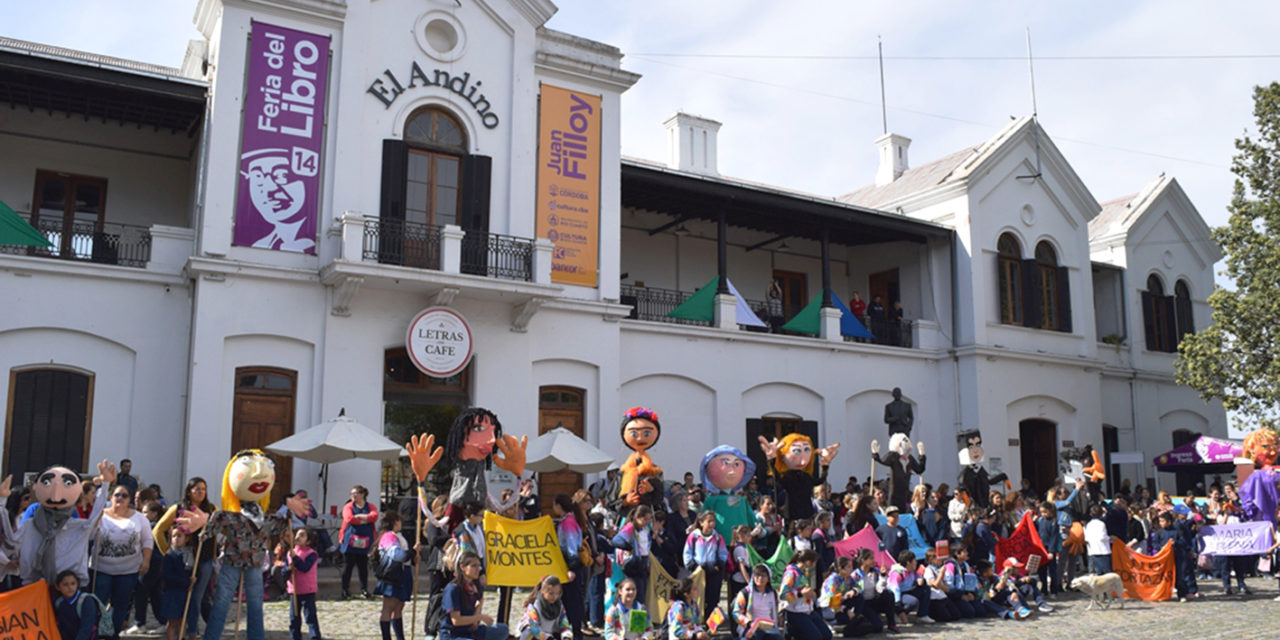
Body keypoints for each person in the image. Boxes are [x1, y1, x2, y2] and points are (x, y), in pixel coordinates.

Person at [151, 477, 218, 640]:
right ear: (189, 491)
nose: (201, 492)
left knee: (198, 597)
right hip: (182, 562)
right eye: (197, 489)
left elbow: (221, 529)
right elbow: (158, 530)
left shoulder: (212, 509)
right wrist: (168, 552)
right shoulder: (177, 508)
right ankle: (181, 628)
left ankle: (192, 631)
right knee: (185, 595)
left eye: (203, 489)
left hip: (204, 558)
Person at [92, 482, 154, 638]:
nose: (120, 498)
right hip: (101, 569)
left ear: (130, 499)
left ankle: (113, 634)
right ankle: (97, 633)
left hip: (128, 571)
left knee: (120, 606)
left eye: (124, 495)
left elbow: (147, 541)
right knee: (98, 604)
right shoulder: (101, 515)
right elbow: (89, 534)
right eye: (117, 495)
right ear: (111, 497)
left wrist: (146, 561)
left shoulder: (140, 519)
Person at [439, 552, 508, 640]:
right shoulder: (453, 589)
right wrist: (479, 617)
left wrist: (477, 611)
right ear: (462, 567)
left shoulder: (474, 585)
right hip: (453, 633)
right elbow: (456, 620)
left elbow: (480, 598)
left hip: (469, 629)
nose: (478, 569)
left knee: (502, 629)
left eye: (478, 566)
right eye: (473, 566)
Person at [553, 494, 590, 640]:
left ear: (559, 506)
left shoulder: (568, 523)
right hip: (570, 566)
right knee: (570, 602)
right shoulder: (568, 520)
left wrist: (570, 568)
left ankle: (576, 633)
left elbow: (571, 548)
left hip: (571, 567)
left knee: (572, 603)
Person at [374, 512, 415, 640]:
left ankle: (400, 637)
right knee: (388, 607)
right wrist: (412, 551)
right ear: (395, 522)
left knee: (398, 607)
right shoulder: (388, 537)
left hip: (403, 574)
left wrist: (413, 557)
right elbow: (398, 555)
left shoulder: (398, 536)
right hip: (393, 575)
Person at [129, 500, 167, 634]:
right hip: (157, 563)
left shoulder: (152, 527)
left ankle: (140, 623)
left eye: (146, 512)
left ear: (154, 514)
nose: (143, 515)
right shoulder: (158, 526)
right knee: (155, 593)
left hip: (151, 562)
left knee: (142, 591)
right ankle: (163, 621)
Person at [683, 510, 729, 617]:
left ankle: (710, 624)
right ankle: (697, 621)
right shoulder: (694, 536)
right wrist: (693, 566)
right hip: (698, 572)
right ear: (701, 522)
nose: (711, 524)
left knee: (712, 599)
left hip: (713, 572)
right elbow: (687, 553)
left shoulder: (717, 537)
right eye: (709, 521)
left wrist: (718, 565)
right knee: (697, 597)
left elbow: (723, 553)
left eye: (713, 521)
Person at [778, 550, 831, 640]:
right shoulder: (791, 573)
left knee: (827, 635)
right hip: (796, 612)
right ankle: (792, 631)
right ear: (808, 562)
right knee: (816, 637)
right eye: (814, 562)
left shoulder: (803, 573)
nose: (814, 565)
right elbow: (783, 594)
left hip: (808, 610)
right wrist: (799, 594)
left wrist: (812, 594)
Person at [340, 484, 378, 600]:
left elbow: (374, 516)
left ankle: (364, 589)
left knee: (363, 566)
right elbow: (349, 518)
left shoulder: (370, 506)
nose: (353, 496)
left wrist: (361, 516)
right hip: (350, 539)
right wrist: (364, 520)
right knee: (348, 566)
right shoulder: (348, 506)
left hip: (365, 540)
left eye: (355, 493)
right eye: (351, 494)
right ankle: (345, 590)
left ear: (362, 494)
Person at [285, 528, 322, 640]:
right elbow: (284, 572)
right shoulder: (290, 553)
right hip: (294, 590)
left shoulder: (311, 554)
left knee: (310, 617)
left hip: (307, 590)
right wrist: (288, 569)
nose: (297, 537)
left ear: (308, 541)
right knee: (294, 618)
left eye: (302, 535)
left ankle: (315, 637)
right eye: (297, 535)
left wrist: (295, 558)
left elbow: (304, 568)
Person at [850, 549, 896, 633]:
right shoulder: (856, 575)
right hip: (863, 604)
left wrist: (882, 576)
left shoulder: (875, 572)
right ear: (863, 560)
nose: (873, 561)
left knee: (889, 594)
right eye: (871, 559)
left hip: (874, 600)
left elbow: (880, 588)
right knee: (878, 627)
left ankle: (891, 623)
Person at [612, 506, 654, 598]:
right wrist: (629, 548)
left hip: (643, 561)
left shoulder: (645, 529)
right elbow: (616, 540)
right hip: (633, 563)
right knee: (636, 593)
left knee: (642, 593)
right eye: (644, 519)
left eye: (648, 520)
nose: (646, 522)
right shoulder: (631, 527)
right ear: (637, 517)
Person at [731, 564, 781, 640]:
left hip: (768, 626)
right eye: (757, 575)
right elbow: (736, 613)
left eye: (763, 576)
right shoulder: (745, 593)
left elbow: (776, 610)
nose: (760, 578)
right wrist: (749, 623)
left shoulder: (773, 593)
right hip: (750, 627)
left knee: (777, 637)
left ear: (768, 578)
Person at [885, 550, 934, 625]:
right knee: (912, 601)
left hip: (908, 591)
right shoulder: (897, 573)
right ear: (908, 562)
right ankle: (897, 614)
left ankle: (922, 615)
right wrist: (898, 608)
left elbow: (918, 577)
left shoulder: (912, 571)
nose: (916, 562)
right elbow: (895, 590)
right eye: (914, 560)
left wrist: (921, 580)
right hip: (897, 595)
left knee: (925, 589)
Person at [161, 528, 193, 640]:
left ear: (187, 538)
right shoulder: (169, 556)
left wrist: (193, 579)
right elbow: (168, 576)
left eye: (179, 536)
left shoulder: (190, 555)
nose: (176, 539)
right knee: (172, 621)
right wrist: (186, 581)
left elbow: (193, 571)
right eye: (174, 536)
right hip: (173, 593)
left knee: (182, 620)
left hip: (184, 593)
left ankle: (182, 637)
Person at [518, 575, 573, 640]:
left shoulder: (560, 607)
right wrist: (548, 638)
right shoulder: (534, 606)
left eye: (557, 593)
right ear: (542, 591)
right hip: (533, 636)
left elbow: (565, 625)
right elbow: (534, 628)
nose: (555, 597)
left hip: (550, 634)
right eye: (551, 593)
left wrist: (567, 635)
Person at [54, 569, 101, 640]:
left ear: (77, 584)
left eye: (73, 583)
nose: (70, 588)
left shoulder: (86, 601)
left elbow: (87, 628)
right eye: (65, 585)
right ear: (58, 587)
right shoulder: (59, 603)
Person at [1034, 501, 1063, 594]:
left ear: (1050, 511)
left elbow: (1054, 538)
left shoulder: (1054, 523)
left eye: (1045, 512)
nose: (1043, 514)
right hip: (1041, 548)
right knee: (1042, 570)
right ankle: (1044, 588)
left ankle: (1054, 590)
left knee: (1052, 570)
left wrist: (1051, 551)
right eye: (1041, 512)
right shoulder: (1040, 520)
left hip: (1049, 549)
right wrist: (1033, 521)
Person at [1084, 505, 1111, 575]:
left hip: (1093, 551)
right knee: (1107, 573)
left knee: (1099, 573)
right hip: (1103, 551)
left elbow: (1087, 538)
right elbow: (1102, 537)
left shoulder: (1088, 524)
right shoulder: (1101, 524)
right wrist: (1110, 538)